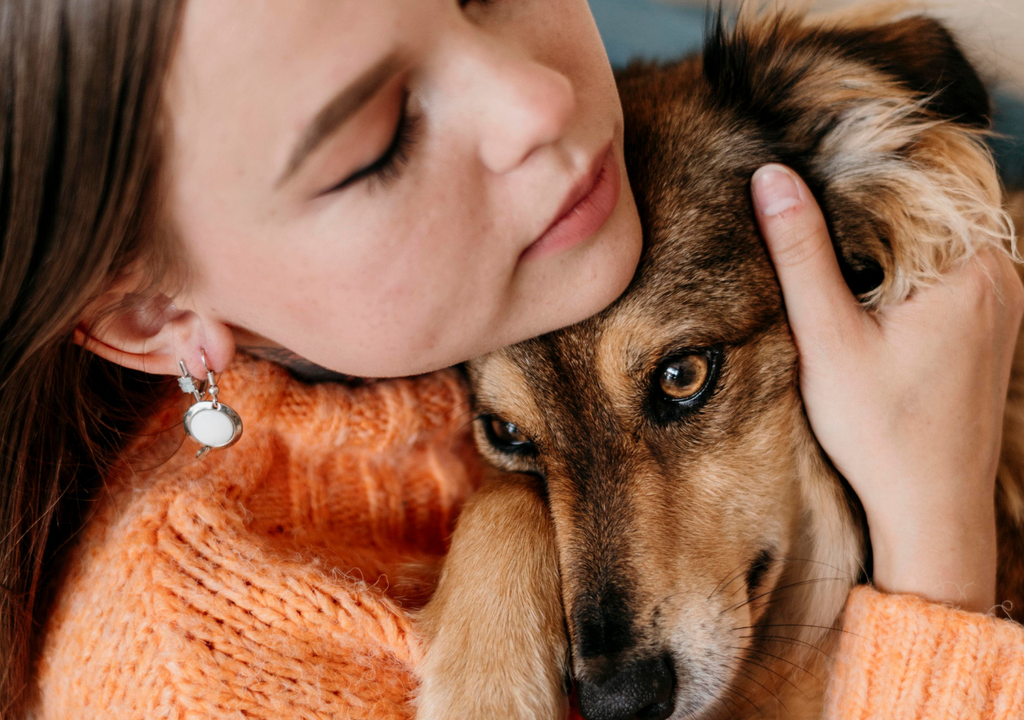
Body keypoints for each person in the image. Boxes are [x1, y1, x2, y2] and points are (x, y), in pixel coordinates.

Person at [0, 1, 1020, 718]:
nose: (536, 102)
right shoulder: (193, 669)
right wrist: (937, 556)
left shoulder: (488, 280)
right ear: (153, 312)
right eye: (379, 137)